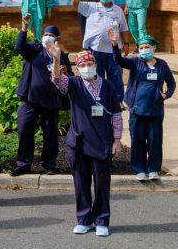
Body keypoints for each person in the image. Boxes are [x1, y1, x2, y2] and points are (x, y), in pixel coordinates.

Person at [48, 47, 123, 237]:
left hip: (102, 143)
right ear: (77, 67)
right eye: (82, 65)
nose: (86, 68)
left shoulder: (107, 87)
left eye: (90, 64)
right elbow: (57, 81)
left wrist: (117, 140)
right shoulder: (73, 83)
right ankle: (84, 219)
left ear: (96, 65)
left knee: (101, 184)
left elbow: (116, 114)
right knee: (81, 184)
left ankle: (101, 220)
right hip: (78, 143)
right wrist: (56, 60)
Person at [112, 32, 175, 181]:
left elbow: (172, 83)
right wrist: (115, 45)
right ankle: (139, 169)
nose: (144, 49)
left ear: (154, 48)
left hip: (155, 111)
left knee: (154, 142)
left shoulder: (162, 65)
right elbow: (119, 60)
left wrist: (167, 95)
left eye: (147, 47)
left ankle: (153, 169)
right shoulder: (135, 62)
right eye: (141, 47)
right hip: (137, 110)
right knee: (138, 140)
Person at [12, 18, 72, 176]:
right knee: (24, 130)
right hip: (30, 98)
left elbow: (70, 78)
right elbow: (19, 47)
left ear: (57, 39)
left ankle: (49, 164)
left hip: (50, 101)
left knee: (50, 134)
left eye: (51, 35)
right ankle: (23, 164)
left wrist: (64, 71)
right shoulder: (34, 48)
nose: (47, 37)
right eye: (46, 34)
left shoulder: (61, 56)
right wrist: (24, 27)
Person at [72, 0, 129, 89]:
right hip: (95, 50)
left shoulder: (118, 10)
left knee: (116, 78)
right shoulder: (91, 6)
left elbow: (124, 29)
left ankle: (118, 102)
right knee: (96, 78)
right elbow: (75, 4)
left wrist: (126, 43)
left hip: (114, 51)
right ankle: (98, 100)